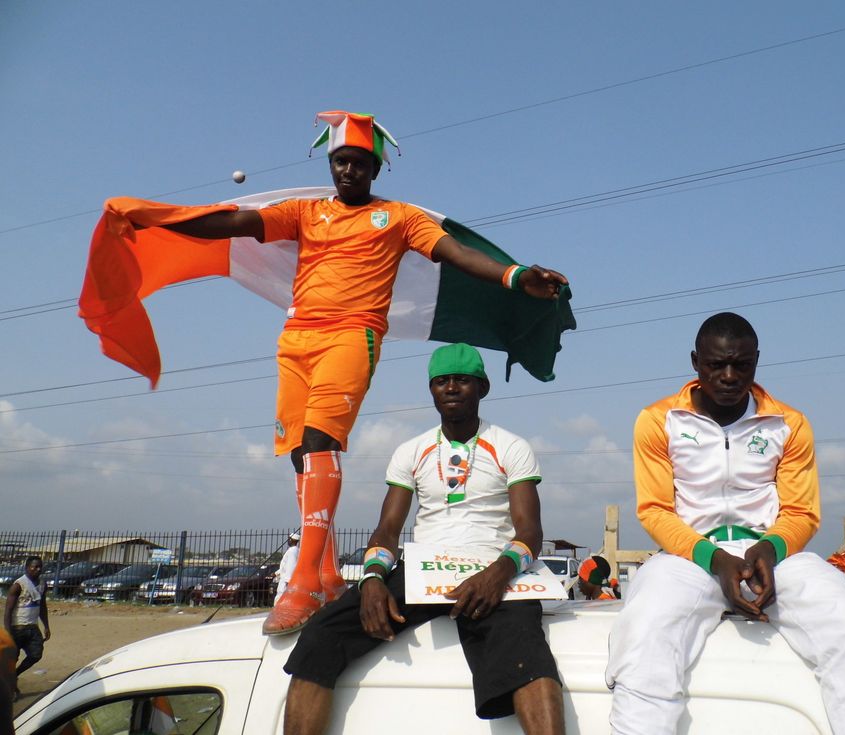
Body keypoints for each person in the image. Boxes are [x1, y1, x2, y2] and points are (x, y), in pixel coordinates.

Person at [145, 110, 569, 635]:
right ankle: (324, 572)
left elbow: (454, 253)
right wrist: (159, 218)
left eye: (360, 163)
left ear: (375, 169)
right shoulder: (303, 211)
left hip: (353, 335)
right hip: (296, 337)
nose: (349, 171)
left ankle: (301, 582)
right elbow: (236, 224)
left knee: (322, 442)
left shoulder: (399, 217)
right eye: (341, 161)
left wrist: (515, 275)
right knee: (300, 451)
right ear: (332, 164)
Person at [604, 312, 845, 735]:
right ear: (695, 362)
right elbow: (655, 509)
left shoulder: (788, 423)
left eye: (742, 364)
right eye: (716, 365)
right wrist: (712, 557)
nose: (729, 376)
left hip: (774, 555)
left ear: (757, 361)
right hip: (689, 558)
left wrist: (770, 550)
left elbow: (801, 512)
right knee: (646, 632)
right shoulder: (659, 420)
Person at [282, 343, 564, 735]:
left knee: (528, 654)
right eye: (441, 381)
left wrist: (497, 575)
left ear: (482, 388)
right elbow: (387, 529)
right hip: (424, 569)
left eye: (462, 381)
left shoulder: (511, 446)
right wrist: (373, 579)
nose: (451, 388)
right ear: (431, 390)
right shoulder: (411, 451)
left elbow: (530, 531)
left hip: (492, 568)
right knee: (321, 635)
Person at [3, 557, 51, 701]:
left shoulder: (42, 584)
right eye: (34, 567)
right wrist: (8, 632)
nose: (37, 569)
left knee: (36, 654)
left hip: (33, 627)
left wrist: (46, 625)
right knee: (12, 660)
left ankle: (15, 676)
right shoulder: (18, 585)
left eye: (39, 567)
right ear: (27, 567)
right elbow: (8, 610)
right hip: (18, 627)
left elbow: (42, 606)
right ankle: (11, 688)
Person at [275, 532, 301, 603]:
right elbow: (285, 566)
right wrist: (276, 573)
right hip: (285, 578)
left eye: (290, 539)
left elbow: (291, 566)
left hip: (286, 580)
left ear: (293, 540)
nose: (288, 540)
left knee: (281, 598)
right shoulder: (296, 550)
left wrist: (288, 581)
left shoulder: (292, 551)